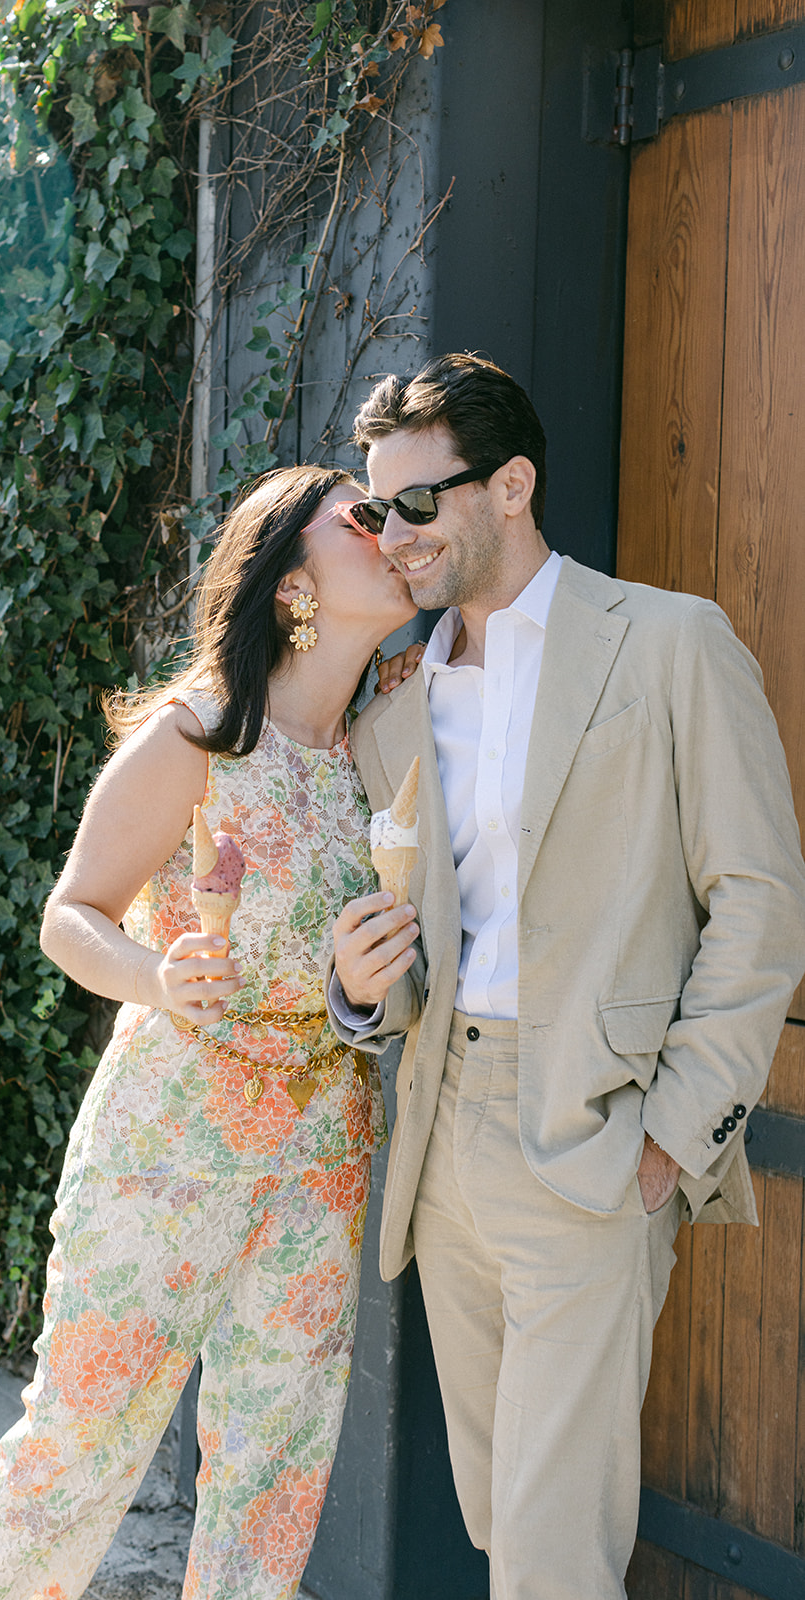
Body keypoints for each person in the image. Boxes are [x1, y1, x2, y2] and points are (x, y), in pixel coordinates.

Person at [328, 353, 805, 1600]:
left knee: (548, 1553)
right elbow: (417, 937)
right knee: (497, 1518)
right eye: (376, 511)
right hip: (443, 1143)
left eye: (416, 505)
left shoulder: (664, 643)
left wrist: (668, 1138)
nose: (394, 537)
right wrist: (360, 993)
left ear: (511, 487)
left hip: (591, 1137)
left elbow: (757, 898)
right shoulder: (399, 703)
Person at [0, 464, 417, 1600]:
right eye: (362, 514)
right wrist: (157, 976)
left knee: (274, 1469)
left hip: (318, 1156)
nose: (392, 527)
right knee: (79, 1442)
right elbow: (70, 915)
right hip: (170, 1146)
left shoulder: (387, 753)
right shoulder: (200, 734)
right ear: (292, 577)